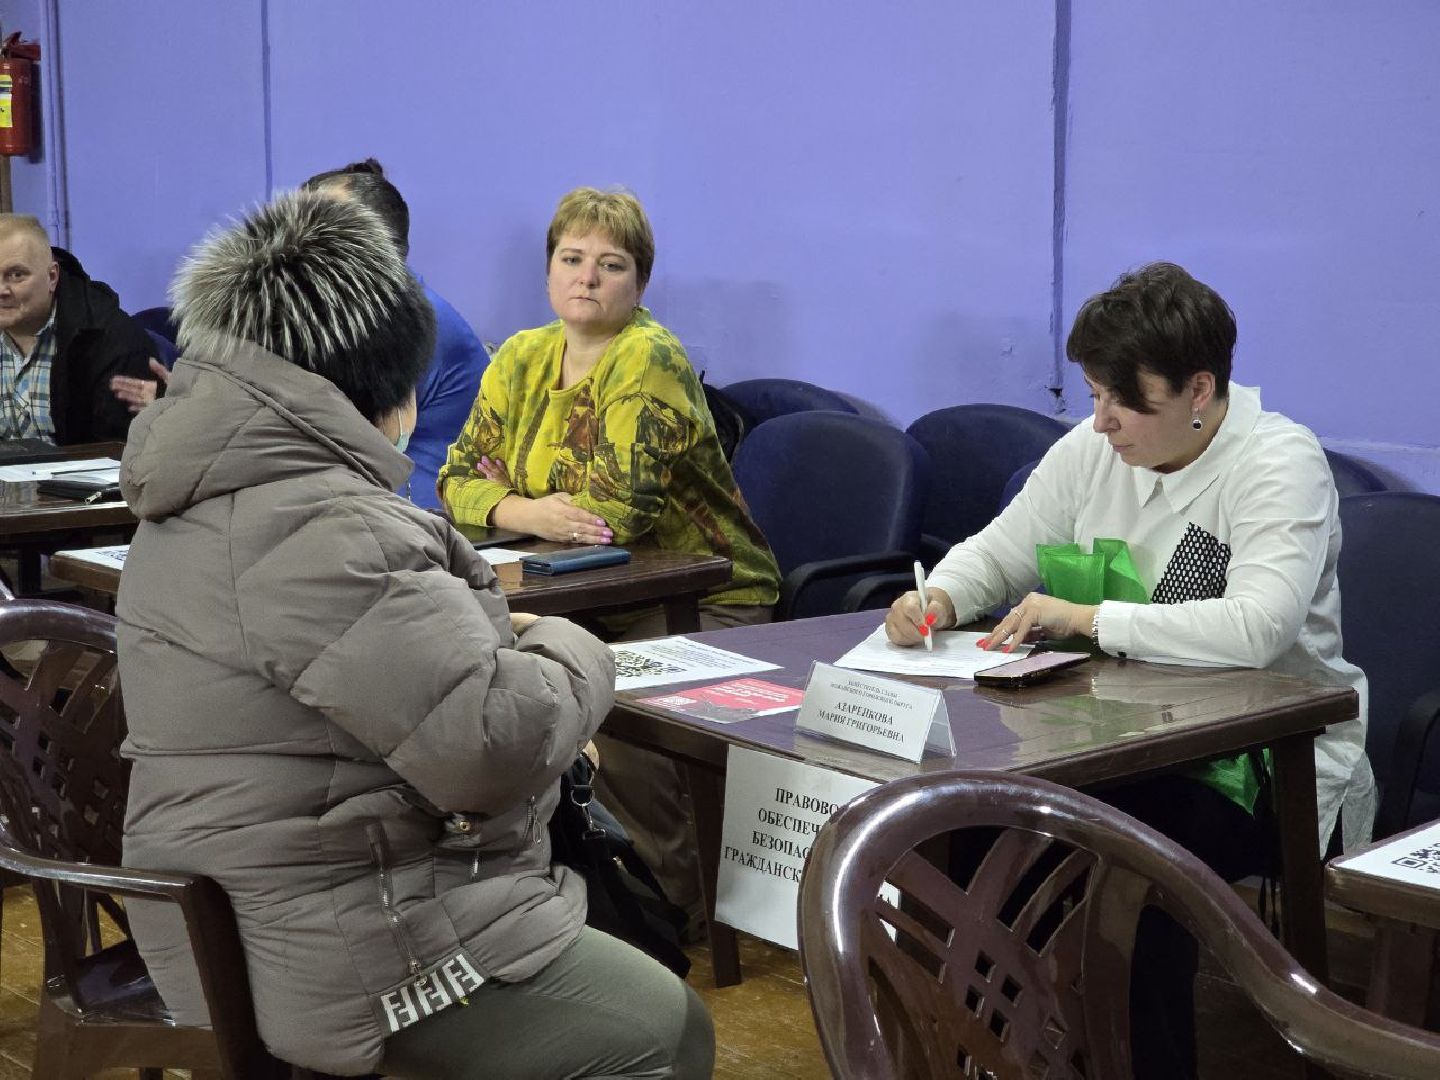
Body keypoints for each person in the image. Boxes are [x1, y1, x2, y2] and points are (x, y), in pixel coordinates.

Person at [116, 190, 713, 1079]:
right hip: (336, 934)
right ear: (385, 389)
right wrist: (569, 647)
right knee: (662, 1024)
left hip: (244, 897)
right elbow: (490, 742)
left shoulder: (209, 490)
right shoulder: (325, 526)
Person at [885, 261, 1375, 1077]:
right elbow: (1002, 549)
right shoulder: (1093, 449)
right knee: (959, 826)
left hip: (1253, 762)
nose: (1103, 421)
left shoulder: (1279, 465)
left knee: (1131, 880)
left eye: (1124, 399)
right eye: (1093, 395)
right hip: (1113, 732)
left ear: (1199, 390)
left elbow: (1256, 628)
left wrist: (1086, 619)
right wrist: (937, 596)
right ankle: (980, 1052)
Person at [438, 187, 781, 930]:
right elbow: (455, 479)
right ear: (550, 270)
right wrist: (523, 510)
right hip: (580, 598)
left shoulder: (648, 357)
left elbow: (616, 515)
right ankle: (563, 880)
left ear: (640, 283)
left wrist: (514, 493)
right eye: (571, 259)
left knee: (610, 710)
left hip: (705, 592)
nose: (587, 278)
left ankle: (669, 907)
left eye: (610, 264)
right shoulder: (522, 356)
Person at [302, 158, 489, 509]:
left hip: (427, 517)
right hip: (370, 504)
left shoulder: (416, 322)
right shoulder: (342, 316)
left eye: (319, 233)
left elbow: (335, 437)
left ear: (375, 245)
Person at [0, 213, 156, 443]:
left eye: (16, 275)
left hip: (79, 477)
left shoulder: (112, 340)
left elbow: (117, 452)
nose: (2, 290)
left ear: (52, 277)